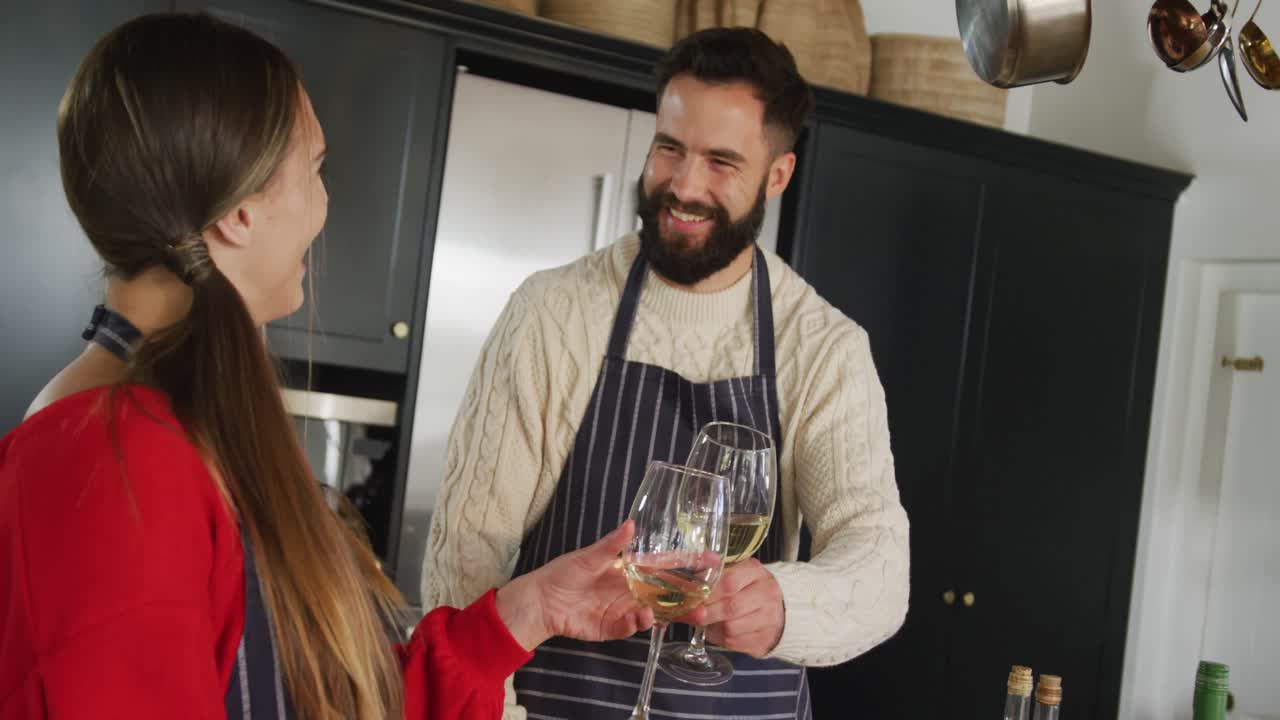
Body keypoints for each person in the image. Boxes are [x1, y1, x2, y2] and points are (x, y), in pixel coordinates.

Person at [0, 12, 653, 720]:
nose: (324, 202)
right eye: (315, 168)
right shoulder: (112, 460)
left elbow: (328, 695)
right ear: (239, 216)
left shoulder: (177, 429)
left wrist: (525, 613)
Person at [420, 26, 912, 720]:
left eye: (720, 161)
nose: (683, 185)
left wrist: (784, 606)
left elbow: (880, 564)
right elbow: (467, 560)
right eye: (670, 149)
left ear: (777, 176)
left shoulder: (823, 348)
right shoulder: (553, 314)